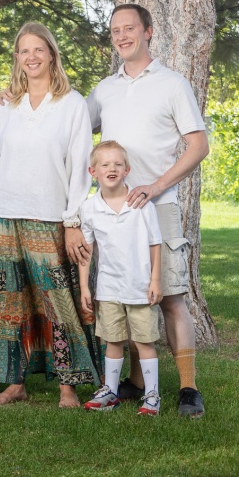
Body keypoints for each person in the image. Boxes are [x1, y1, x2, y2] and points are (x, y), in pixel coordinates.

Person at [0, 22, 102, 408]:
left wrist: (72, 221)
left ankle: (68, 386)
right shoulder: (8, 105)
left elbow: (80, 168)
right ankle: (14, 384)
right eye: (24, 51)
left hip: (48, 216)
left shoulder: (72, 104)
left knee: (56, 301)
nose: (31, 57)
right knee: (5, 303)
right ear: (17, 58)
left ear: (51, 54)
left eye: (38, 50)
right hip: (1, 214)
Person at [87, 3, 209, 417]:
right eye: (116, 30)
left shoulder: (172, 84)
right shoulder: (105, 89)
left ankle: (189, 388)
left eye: (130, 28)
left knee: (171, 297)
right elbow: (70, 124)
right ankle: (137, 383)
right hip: (116, 214)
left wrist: (155, 187)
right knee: (127, 296)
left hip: (159, 206)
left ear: (148, 31)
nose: (122, 36)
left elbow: (198, 145)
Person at [78, 141, 163, 415]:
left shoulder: (141, 204)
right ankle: (111, 392)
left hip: (140, 287)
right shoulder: (89, 208)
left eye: (117, 164)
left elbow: (155, 243)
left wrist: (155, 280)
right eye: (105, 164)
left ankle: (152, 395)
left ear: (127, 170)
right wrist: (84, 287)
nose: (111, 169)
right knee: (113, 340)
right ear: (93, 171)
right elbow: (86, 252)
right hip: (108, 288)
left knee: (144, 341)